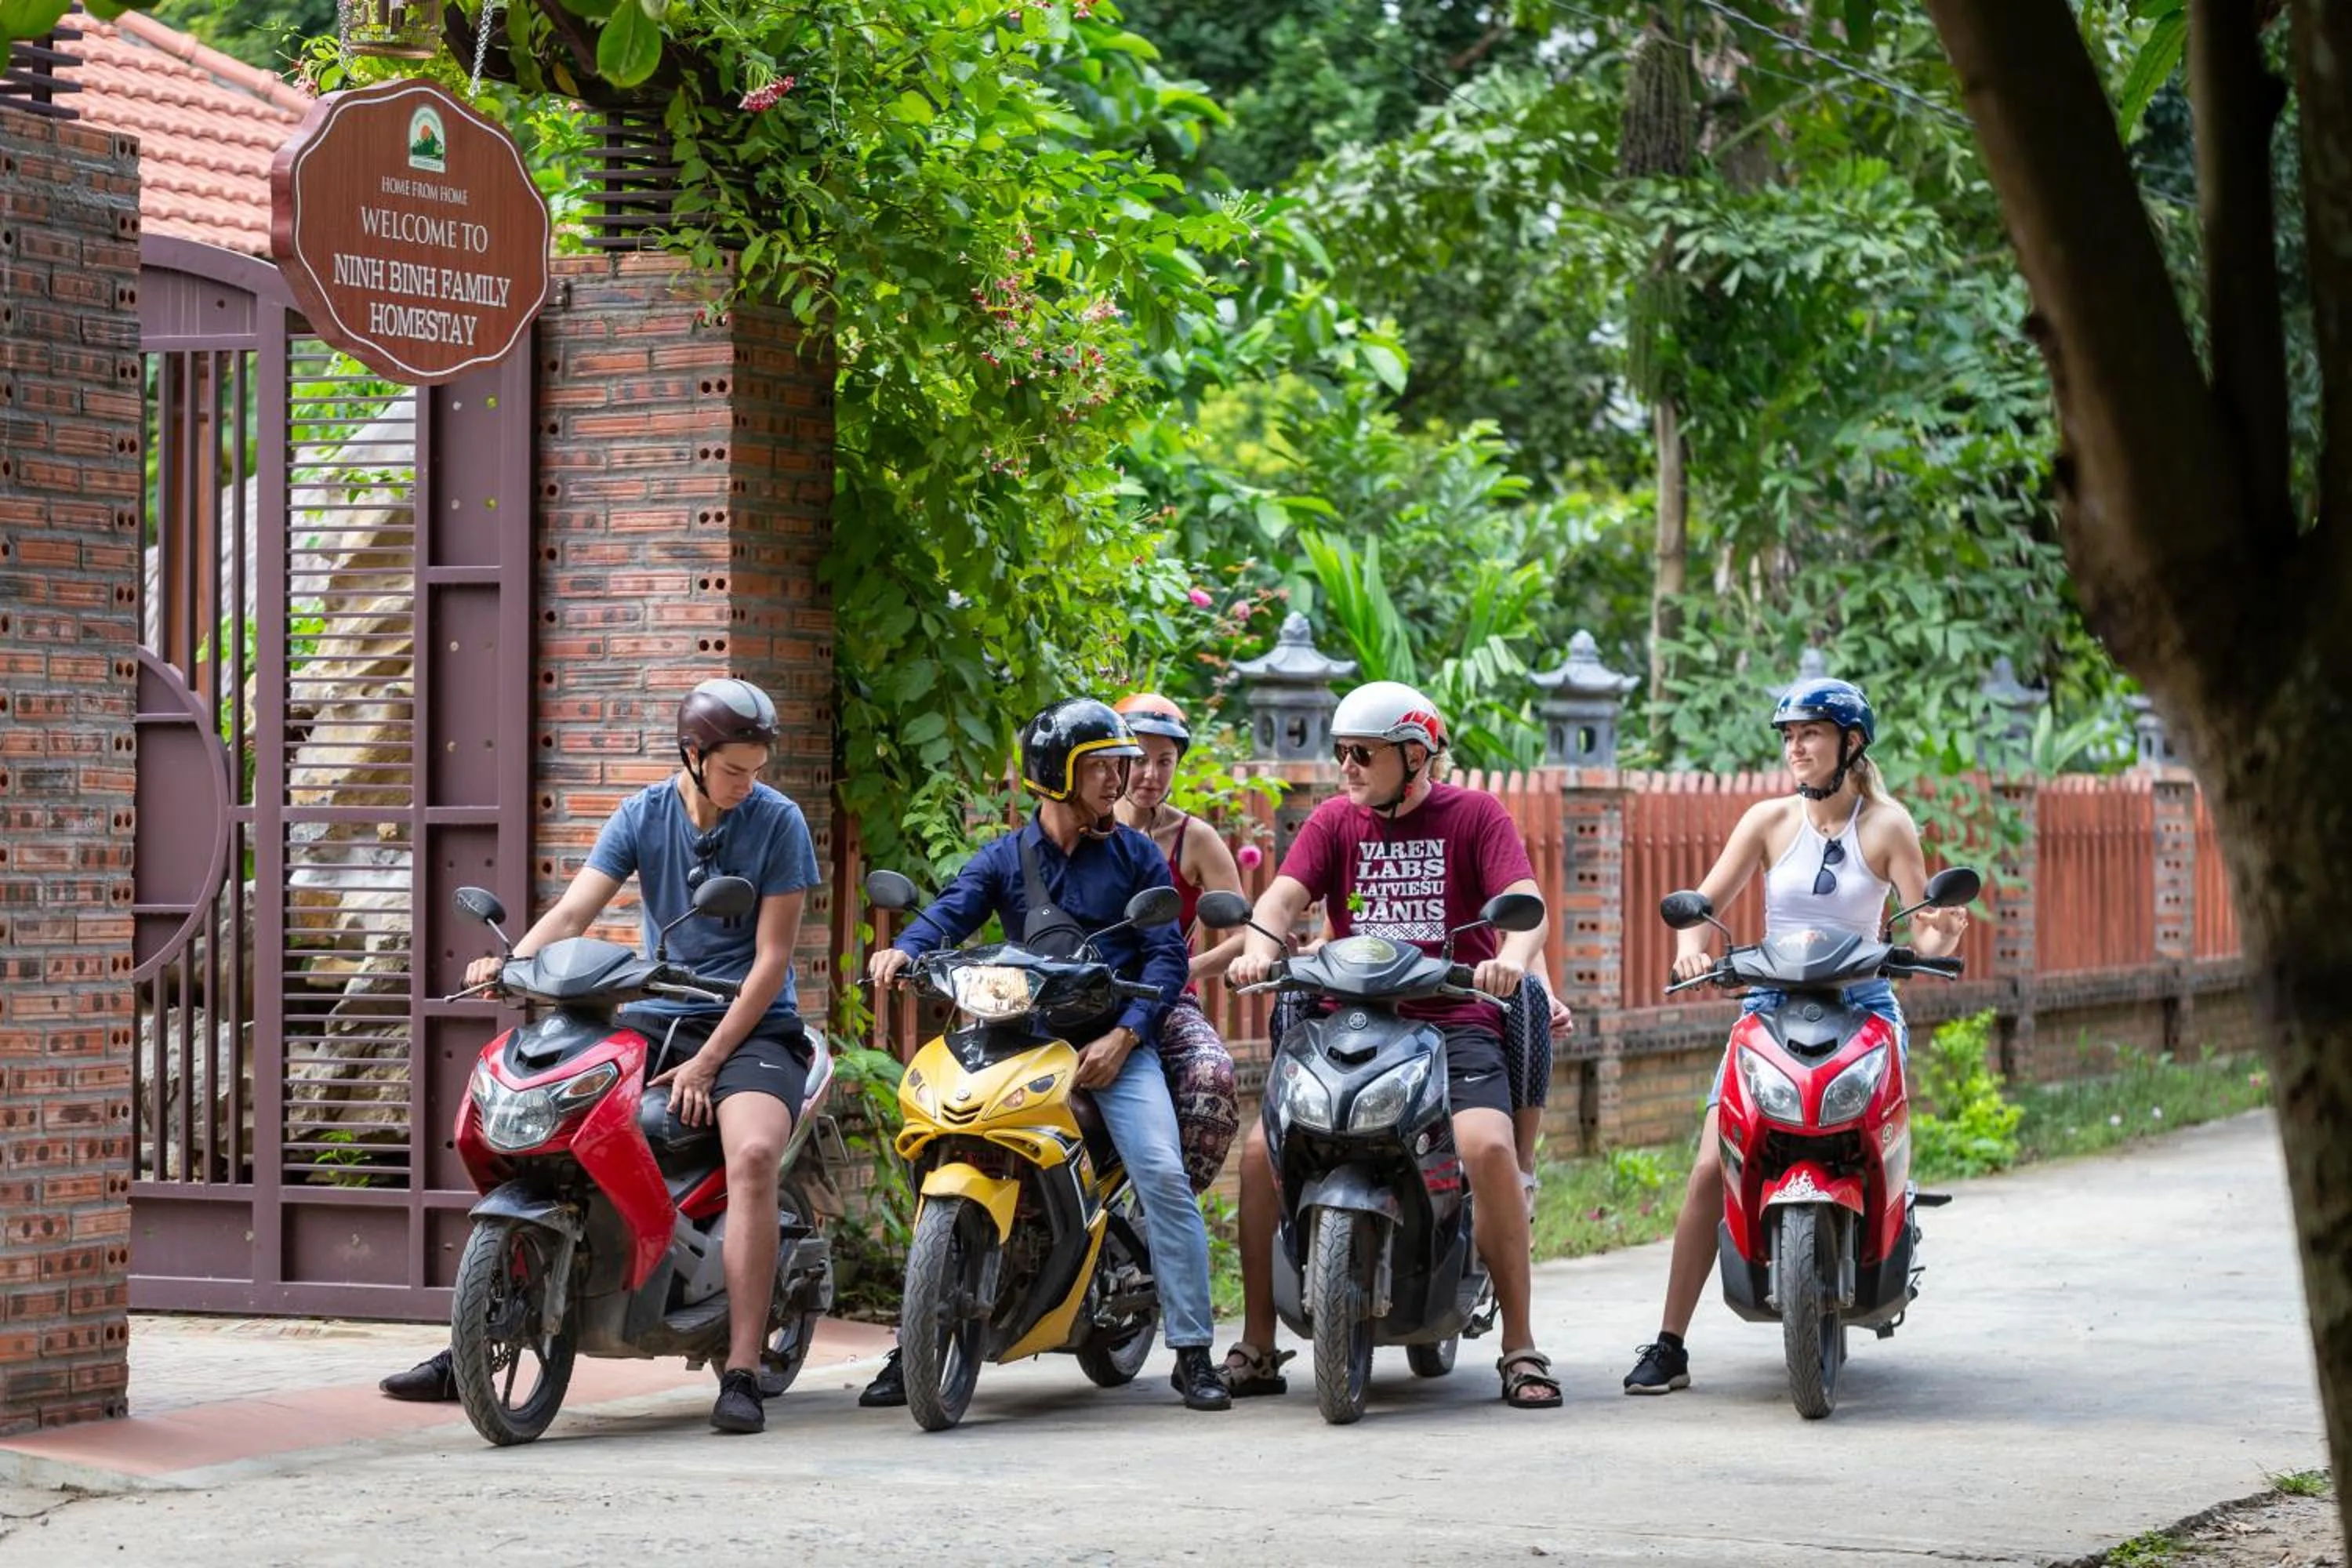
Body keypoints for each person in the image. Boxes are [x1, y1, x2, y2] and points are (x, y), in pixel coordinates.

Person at [379, 678, 823, 1436]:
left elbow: (771, 960)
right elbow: (574, 911)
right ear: (693, 756)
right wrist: (511, 964)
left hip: (751, 1028)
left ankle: (743, 1370)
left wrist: (709, 1062)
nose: (749, 785)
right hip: (655, 1016)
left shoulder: (779, 822)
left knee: (752, 1155)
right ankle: (476, 1335)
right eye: (734, 771)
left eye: (757, 770)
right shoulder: (642, 815)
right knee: (558, 1126)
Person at [858, 697, 1234, 1413]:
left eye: (1120, 767)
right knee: (942, 1144)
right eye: (1101, 767)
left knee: (1161, 1173)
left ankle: (1193, 1352)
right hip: (1018, 1039)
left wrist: (1125, 1037)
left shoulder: (1137, 857)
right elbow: (952, 910)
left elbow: (1165, 959)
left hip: (1111, 1044)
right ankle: (918, 1342)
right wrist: (904, 951)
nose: (1118, 780)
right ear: (1057, 774)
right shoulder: (1006, 857)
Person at [1622, 675, 1967, 1396]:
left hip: (1863, 1004)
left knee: (1874, 1138)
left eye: (1811, 733)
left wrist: (1942, 934)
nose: (1796, 748)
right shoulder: (1768, 822)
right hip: (1772, 1003)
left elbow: (1922, 927)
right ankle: (1669, 1343)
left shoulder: (1888, 826)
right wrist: (1692, 949)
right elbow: (1702, 905)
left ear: (1852, 743)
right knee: (1711, 1167)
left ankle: (1886, 1236)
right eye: (1789, 736)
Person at [1225, 681, 1563, 1410]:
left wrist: (1511, 958)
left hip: (1453, 1022)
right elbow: (1282, 897)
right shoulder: (1333, 821)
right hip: (1345, 1022)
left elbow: (1528, 908)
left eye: (1362, 753)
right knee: (1257, 1155)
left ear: (1415, 756)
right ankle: (1257, 1343)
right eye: (1341, 752)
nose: (1346, 766)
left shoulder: (1474, 815)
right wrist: (1259, 946)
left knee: (1488, 1148)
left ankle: (1520, 1345)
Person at [1111, 691, 1243, 1194]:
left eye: (1164, 762)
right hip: (1084, 995)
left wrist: (1185, 970)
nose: (1150, 774)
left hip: (1166, 1001)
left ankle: (1166, 1207)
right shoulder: (1083, 828)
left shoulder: (1195, 838)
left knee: (1214, 1077)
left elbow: (1246, 934)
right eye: (1139, 759)